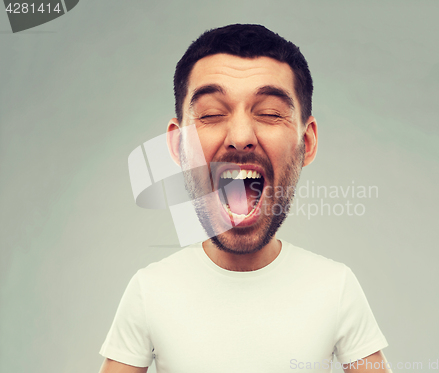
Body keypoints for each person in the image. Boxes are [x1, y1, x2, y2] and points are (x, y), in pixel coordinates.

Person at [99, 24, 391, 373]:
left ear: (307, 142)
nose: (240, 137)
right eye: (210, 114)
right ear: (179, 146)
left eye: (268, 113)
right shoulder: (150, 290)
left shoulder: (336, 286)